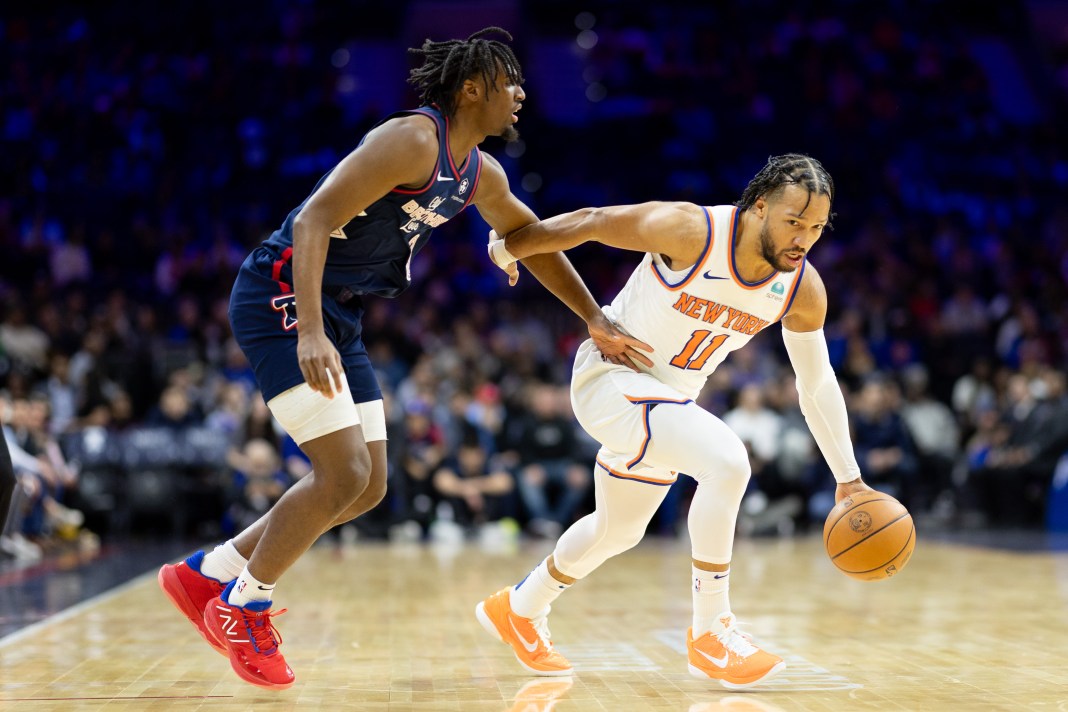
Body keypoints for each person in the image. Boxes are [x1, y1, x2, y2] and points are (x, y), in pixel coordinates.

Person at [157, 27, 648, 690]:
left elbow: (529, 237)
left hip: (341, 311)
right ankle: (242, 604)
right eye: (511, 83)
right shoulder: (411, 140)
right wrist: (307, 330)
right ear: (472, 88)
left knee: (370, 483)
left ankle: (206, 573)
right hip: (283, 295)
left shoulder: (482, 172)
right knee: (340, 472)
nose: (522, 95)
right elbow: (311, 221)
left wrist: (593, 314)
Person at [477, 154, 872, 690]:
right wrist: (510, 245)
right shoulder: (692, 230)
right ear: (758, 208)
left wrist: (848, 477)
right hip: (612, 379)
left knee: (618, 530)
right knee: (727, 463)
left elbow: (817, 383)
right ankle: (711, 631)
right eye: (794, 222)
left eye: (817, 228)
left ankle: (520, 608)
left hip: (669, 404)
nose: (804, 237)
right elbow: (593, 221)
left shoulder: (802, 289)